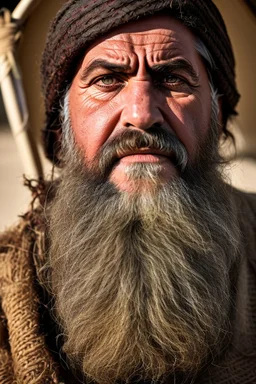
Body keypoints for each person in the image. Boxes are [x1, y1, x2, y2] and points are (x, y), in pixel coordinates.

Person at [0, 1, 255, 383]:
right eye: (107, 80)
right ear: (61, 129)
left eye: (172, 79)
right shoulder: (10, 293)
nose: (141, 112)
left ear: (217, 118)